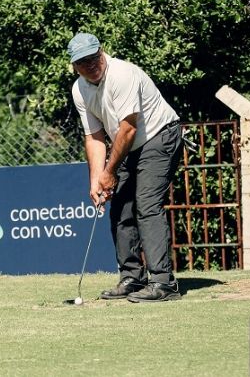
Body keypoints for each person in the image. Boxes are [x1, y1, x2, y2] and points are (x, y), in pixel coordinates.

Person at [68, 32, 184, 303]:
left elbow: (128, 129)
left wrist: (109, 173)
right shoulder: (79, 89)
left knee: (146, 205)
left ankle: (163, 283)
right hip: (130, 145)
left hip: (159, 135)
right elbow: (94, 137)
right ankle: (132, 277)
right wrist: (96, 180)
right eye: (83, 62)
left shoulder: (122, 74)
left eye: (94, 57)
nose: (91, 64)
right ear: (74, 66)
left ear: (102, 51)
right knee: (120, 207)